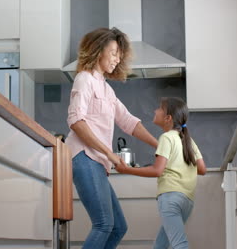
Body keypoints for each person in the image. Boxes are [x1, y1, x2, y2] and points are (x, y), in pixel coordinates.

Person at [66, 27, 158, 249]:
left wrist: (160, 144)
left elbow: (128, 121)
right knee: (104, 224)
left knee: (118, 227)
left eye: (120, 55)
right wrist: (109, 153)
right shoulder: (84, 79)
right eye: (114, 52)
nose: (117, 59)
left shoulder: (106, 90)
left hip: (98, 161)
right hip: (84, 157)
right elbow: (76, 121)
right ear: (98, 49)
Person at [115, 97, 207, 249]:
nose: (154, 110)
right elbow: (202, 169)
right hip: (187, 201)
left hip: (170, 197)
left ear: (167, 118)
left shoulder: (166, 137)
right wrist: (179, 164)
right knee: (160, 245)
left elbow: (157, 170)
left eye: (159, 108)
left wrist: (126, 169)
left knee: (179, 243)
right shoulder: (188, 140)